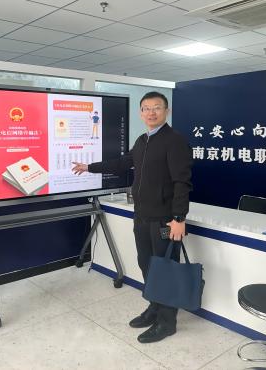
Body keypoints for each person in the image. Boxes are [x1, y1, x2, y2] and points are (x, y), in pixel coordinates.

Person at [72, 91, 192, 343]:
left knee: (165, 270)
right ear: (140, 113)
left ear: (166, 111)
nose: (151, 112)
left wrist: (179, 218)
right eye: (146, 108)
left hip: (164, 219)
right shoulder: (142, 140)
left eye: (156, 107)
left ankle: (167, 322)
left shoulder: (174, 141)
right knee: (146, 265)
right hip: (142, 216)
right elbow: (122, 163)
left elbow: (182, 182)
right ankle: (154, 308)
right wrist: (89, 167)